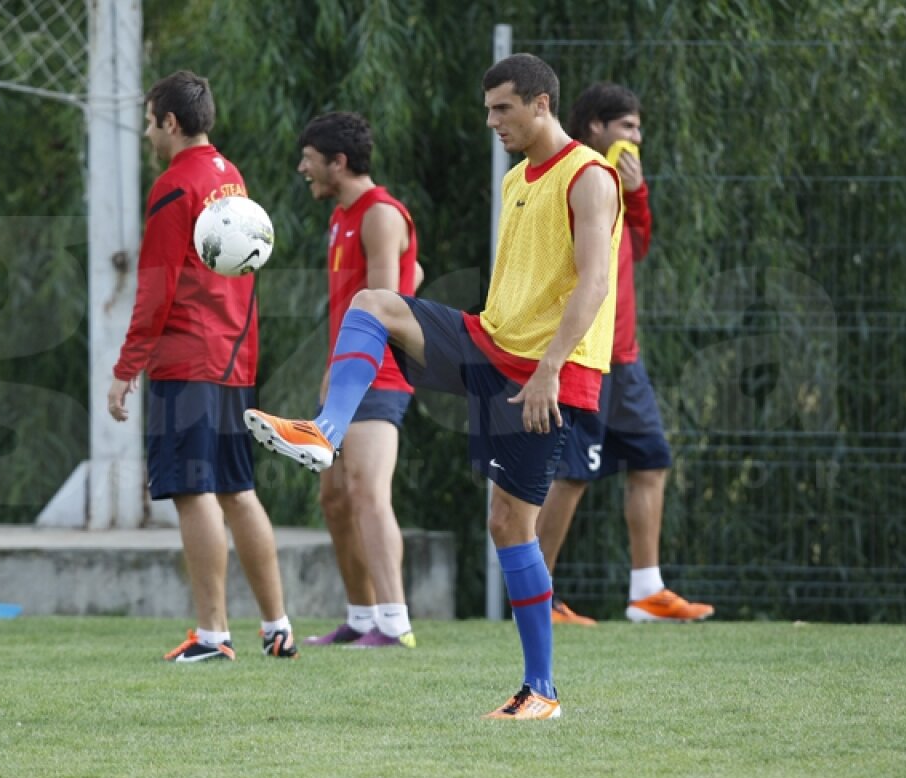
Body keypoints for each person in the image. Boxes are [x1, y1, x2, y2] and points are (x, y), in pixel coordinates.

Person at [245, 53, 620, 718]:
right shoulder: (515, 180)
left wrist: (549, 368)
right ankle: (324, 430)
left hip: (545, 373)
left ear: (541, 104)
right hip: (489, 343)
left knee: (509, 524)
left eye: (502, 108)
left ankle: (543, 691)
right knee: (373, 304)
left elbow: (594, 282)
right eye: (487, 110)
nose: (491, 122)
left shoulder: (589, 177)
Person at [107, 70, 298, 663]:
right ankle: (278, 625)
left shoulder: (174, 185)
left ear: (170, 121)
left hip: (188, 356)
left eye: (148, 121)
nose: (145, 133)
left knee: (194, 492)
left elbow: (157, 287)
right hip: (234, 355)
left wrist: (125, 366)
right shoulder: (229, 177)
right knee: (238, 490)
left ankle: (212, 636)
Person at [539, 83, 714, 625]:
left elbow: (634, 248)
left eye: (639, 128)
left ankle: (646, 593)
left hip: (626, 358)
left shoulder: (618, 185)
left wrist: (637, 195)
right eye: (629, 128)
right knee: (571, 475)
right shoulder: (580, 177)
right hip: (584, 357)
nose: (638, 138)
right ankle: (536, 596)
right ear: (596, 127)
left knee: (651, 460)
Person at [294, 112, 420, 649]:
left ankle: (395, 624)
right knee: (335, 498)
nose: (303, 168)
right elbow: (412, 274)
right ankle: (363, 617)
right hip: (346, 377)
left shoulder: (380, 215)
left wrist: (343, 373)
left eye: (309, 158)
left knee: (368, 492)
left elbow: (387, 305)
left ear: (337, 162)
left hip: (376, 376)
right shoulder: (342, 216)